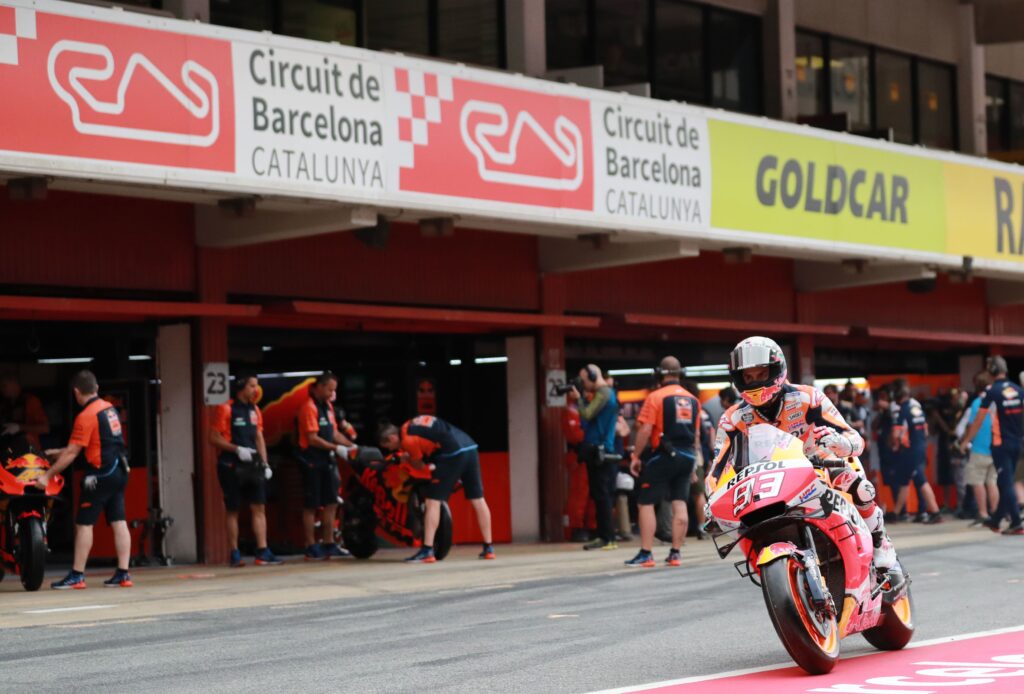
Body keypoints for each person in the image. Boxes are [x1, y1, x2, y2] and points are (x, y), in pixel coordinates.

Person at [707, 337, 897, 570]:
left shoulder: (809, 397)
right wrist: (712, 498)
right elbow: (717, 468)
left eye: (760, 373)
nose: (755, 381)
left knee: (859, 486)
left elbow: (853, 437)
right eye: (748, 377)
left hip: (819, 465)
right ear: (738, 379)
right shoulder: (732, 419)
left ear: (777, 369)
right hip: (768, 481)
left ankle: (880, 540)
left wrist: (842, 444)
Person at [35, 371, 132, 589]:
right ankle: (123, 573)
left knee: (84, 524)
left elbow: (73, 453)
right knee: (119, 521)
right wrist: (60, 451)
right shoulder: (110, 409)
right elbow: (98, 442)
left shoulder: (86, 415)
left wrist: (47, 476)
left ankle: (77, 575)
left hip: (99, 475)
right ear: (96, 388)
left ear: (77, 392)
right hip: (120, 471)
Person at [379, 416, 494, 563]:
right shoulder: (411, 423)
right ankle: (489, 548)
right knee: (478, 498)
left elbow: (419, 465)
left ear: (392, 437)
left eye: (388, 446)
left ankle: (427, 550)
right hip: (470, 446)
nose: (390, 449)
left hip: (452, 453)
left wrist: (406, 459)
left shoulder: (407, 439)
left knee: (432, 501)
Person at [625, 357, 701, 568]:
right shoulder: (693, 399)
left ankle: (646, 553)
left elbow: (645, 429)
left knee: (645, 502)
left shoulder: (655, 397)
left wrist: (636, 456)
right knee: (679, 502)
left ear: (660, 374)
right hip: (687, 457)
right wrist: (694, 464)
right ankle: (675, 553)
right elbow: (695, 435)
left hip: (664, 455)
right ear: (680, 374)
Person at [209, 374, 281, 567]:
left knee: (259, 506)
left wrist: (264, 464)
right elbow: (213, 438)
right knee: (233, 509)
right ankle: (234, 552)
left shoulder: (255, 409)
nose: (255, 390)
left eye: (256, 386)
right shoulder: (226, 408)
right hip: (230, 465)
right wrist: (237, 449)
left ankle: (262, 551)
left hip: (252, 466)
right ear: (241, 387)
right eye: (252, 386)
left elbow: (259, 438)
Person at [960, 356, 1024, 535]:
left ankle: (1017, 523)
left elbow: (979, 420)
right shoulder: (1018, 390)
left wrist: (965, 441)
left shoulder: (992, 392)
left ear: (992, 371)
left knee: (1006, 484)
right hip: (1017, 444)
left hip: (1000, 444)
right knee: (1006, 482)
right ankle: (996, 520)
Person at [296, 372, 353, 559]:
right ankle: (310, 545)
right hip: (311, 460)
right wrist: (337, 448)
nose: (332, 393)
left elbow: (334, 432)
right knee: (311, 504)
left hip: (328, 460)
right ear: (319, 387)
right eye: (329, 389)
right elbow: (312, 439)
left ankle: (329, 543)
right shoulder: (308, 407)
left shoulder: (328, 407)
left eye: (334, 390)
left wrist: (351, 446)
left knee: (331, 502)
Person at [573, 364, 620, 551]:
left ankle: (608, 537)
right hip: (597, 449)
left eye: (584, 381)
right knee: (598, 495)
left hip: (601, 449)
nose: (583, 385)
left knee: (602, 495)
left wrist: (579, 399)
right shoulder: (602, 394)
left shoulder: (604, 393)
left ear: (593, 376)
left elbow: (586, 413)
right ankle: (603, 535)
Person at [889, 382, 943, 524]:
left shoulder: (903, 411)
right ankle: (895, 513)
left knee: (921, 481)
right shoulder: (917, 408)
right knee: (904, 482)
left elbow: (896, 434)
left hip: (910, 451)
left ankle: (936, 512)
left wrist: (895, 446)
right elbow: (925, 431)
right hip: (920, 447)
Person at [958, 372, 997, 526]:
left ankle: (983, 513)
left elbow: (974, 424)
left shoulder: (977, 403)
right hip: (995, 447)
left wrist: (965, 442)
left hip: (979, 448)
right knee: (992, 482)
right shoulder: (995, 401)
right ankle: (995, 512)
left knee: (977, 481)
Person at [562, 387, 594, 541]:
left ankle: (592, 526)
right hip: (578, 456)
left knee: (592, 493)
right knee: (579, 493)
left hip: (589, 454)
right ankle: (577, 527)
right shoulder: (570, 409)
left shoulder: (587, 406)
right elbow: (576, 435)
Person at [0, 371, 50, 454]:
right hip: (7, 450)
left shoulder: (30, 401)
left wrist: (20, 427)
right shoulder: (4, 403)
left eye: (4, 386)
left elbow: (45, 428)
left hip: (28, 450)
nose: (2, 389)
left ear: (14, 383)